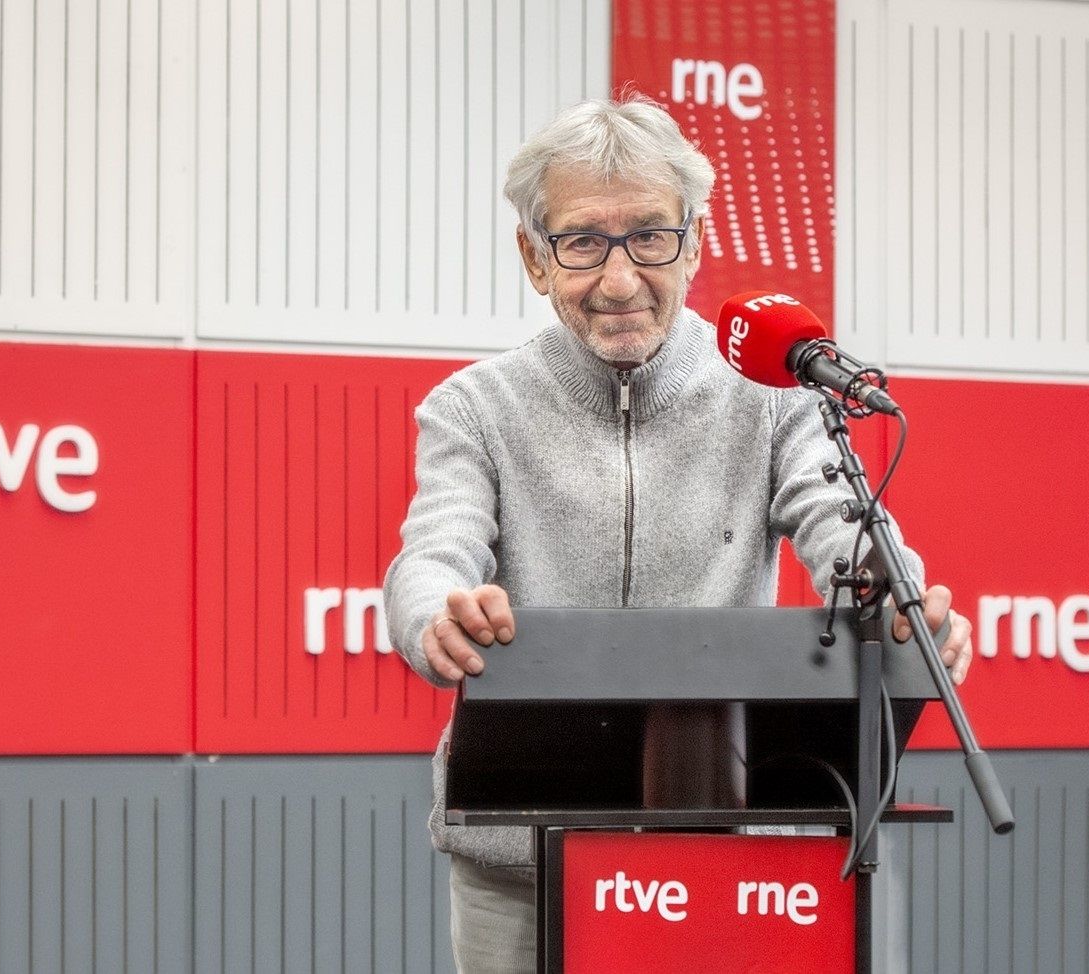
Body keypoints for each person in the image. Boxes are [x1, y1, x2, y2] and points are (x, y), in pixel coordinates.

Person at [382, 95, 973, 974]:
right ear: (534, 260)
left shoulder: (776, 395)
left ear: (694, 242)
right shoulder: (475, 408)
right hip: (521, 867)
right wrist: (437, 614)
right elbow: (430, 557)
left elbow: (843, 526)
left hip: (722, 858)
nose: (619, 279)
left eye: (651, 237)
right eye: (583, 241)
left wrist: (896, 597)